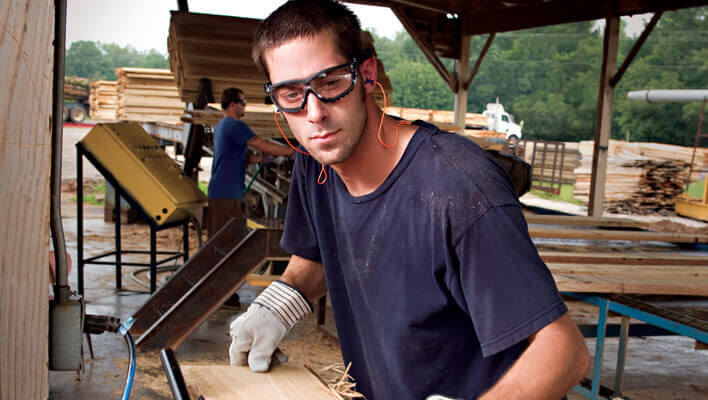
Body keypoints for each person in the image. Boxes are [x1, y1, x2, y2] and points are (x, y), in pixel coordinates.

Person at [229, 1, 590, 399]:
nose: (314, 113)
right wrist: (279, 304)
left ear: (365, 74)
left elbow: (564, 353)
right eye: (291, 93)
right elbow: (315, 256)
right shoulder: (315, 161)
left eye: (330, 83)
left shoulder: (458, 188)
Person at [207, 88, 293, 238]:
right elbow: (261, 144)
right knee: (225, 242)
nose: (245, 106)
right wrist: (291, 151)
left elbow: (244, 158)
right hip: (227, 193)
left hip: (222, 192)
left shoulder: (221, 125)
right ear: (233, 105)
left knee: (224, 240)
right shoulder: (235, 125)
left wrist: (263, 159)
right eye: (243, 102)